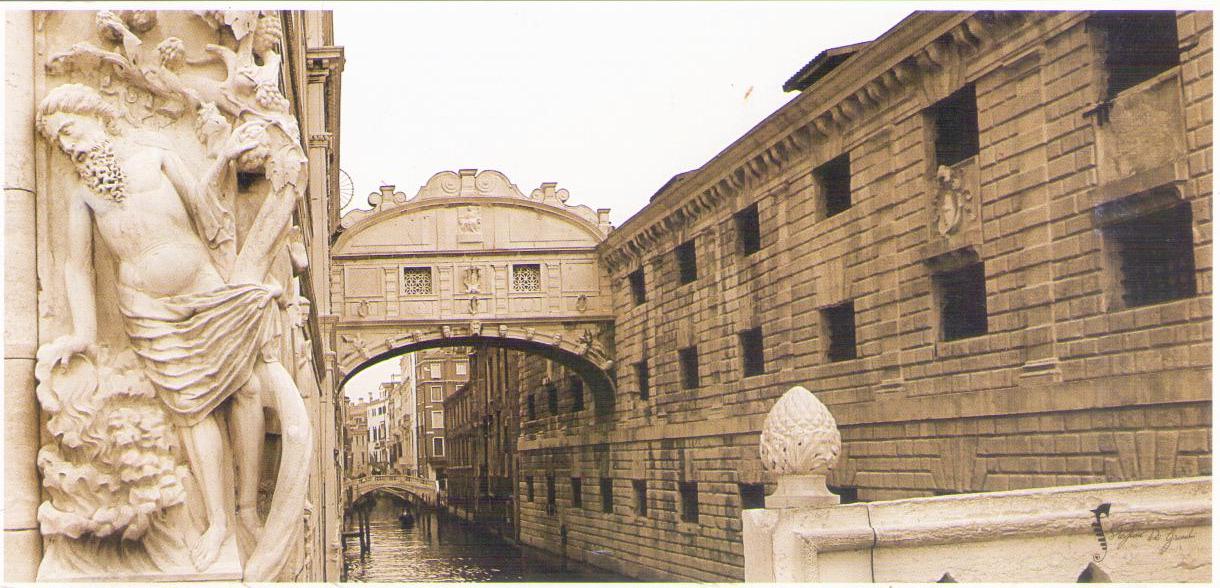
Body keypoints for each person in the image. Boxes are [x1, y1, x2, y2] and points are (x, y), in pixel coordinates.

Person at [36, 83, 282, 572]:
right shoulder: (83, 193)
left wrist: (227, 156)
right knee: (192, 411)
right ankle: (216, 524)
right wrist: (83, 332)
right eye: (58, 142)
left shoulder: (156, 154)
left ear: (95, 116)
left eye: (68, 130)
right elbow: (76, 267)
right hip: (146, 307)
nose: (67, 145)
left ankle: (248, 510)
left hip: (203, 285)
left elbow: (206, 207)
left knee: (248, 388)